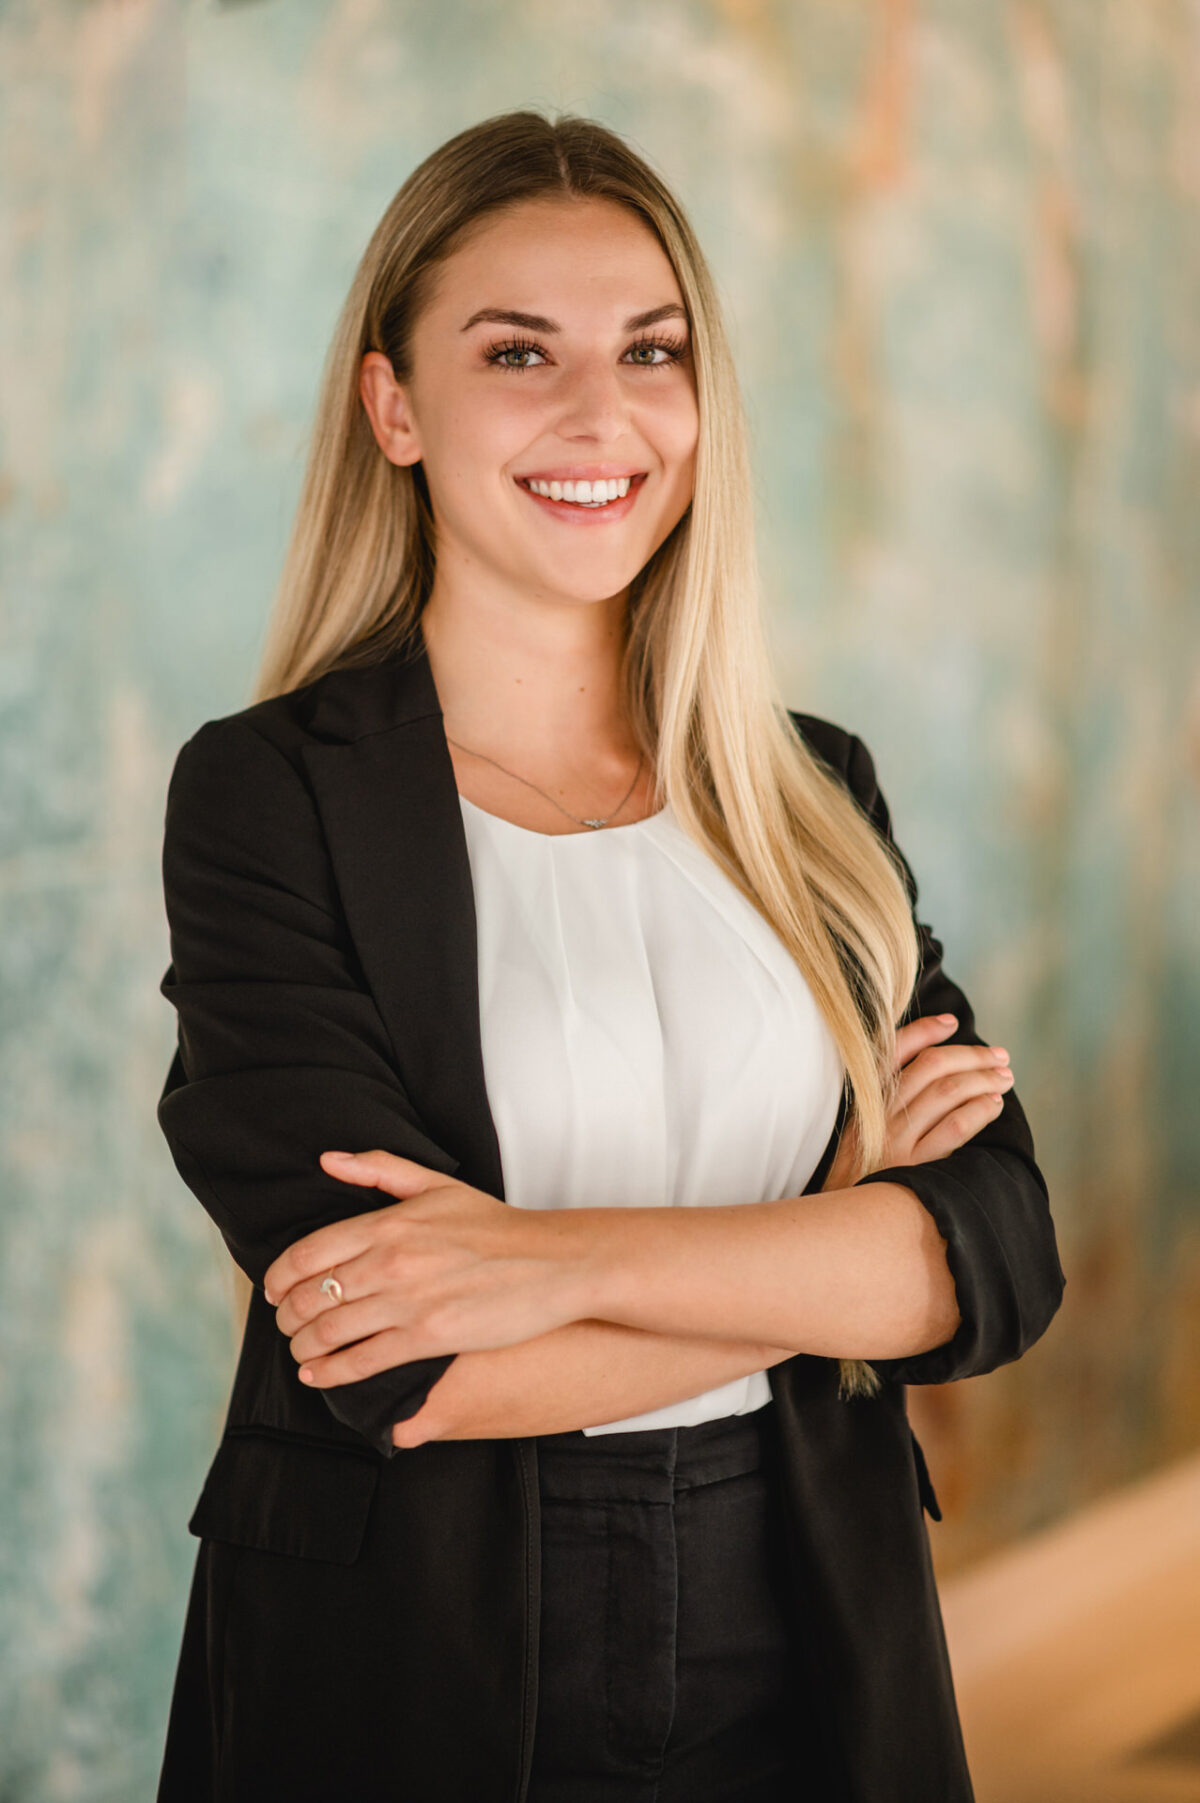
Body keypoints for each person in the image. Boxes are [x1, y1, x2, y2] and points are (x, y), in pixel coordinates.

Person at [153, 108, 1066, 1803]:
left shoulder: (809, 790)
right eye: (519, 352)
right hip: (408, 1640)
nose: (602, 415)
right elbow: (413, 1365)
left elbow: (997, 1257)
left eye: (653, 351)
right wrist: (836, 1242)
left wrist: (552, 1262)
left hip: (806, 1602)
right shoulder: (268, 797)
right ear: (396, 407)